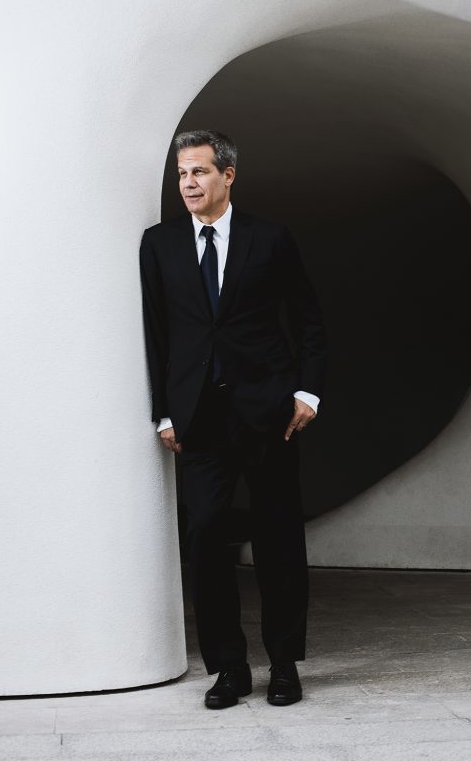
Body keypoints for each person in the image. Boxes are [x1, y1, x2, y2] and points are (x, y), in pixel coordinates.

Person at [139, 129, 327, 709]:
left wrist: (308, 392)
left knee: (278, 538)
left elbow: (308, 319)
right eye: (181, 174)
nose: (188, 183)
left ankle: (285, 664)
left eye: (198, 171)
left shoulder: (269, 239)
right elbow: (156, 333)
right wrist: (163, 411)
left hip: (268, 412)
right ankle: (228, 667)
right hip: (197, 417)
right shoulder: (159, 244)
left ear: (228, 175)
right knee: (204, 537)